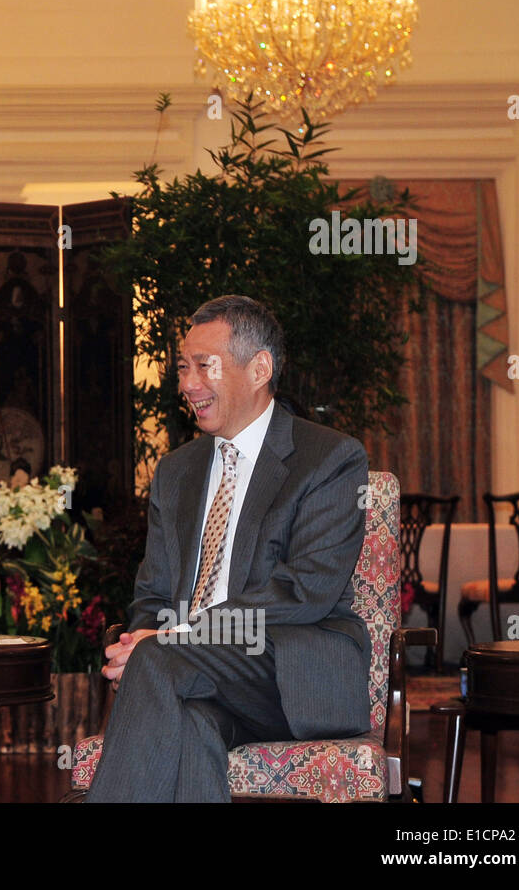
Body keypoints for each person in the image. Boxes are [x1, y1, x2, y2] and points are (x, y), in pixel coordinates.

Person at [86, 294, 370, 803]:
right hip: (189, 676)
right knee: (192, 727)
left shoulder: (329, 457)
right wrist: (142, 638)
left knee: (157, 657)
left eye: (205, 366)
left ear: (260, 367)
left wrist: (172, 636)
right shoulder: (176, 472)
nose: (188, 384)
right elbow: (151, 594)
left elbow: (304, 592)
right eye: (182, 368)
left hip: (286, 671)